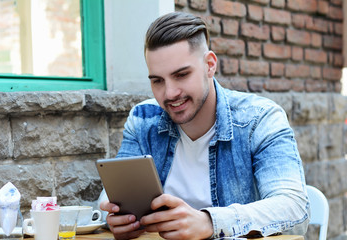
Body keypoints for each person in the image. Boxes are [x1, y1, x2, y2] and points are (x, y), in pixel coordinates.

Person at [99, 11, 309, 240]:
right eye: (157, 81)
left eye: (181, 75)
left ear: (210, 65)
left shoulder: (260, 119)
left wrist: (209, 222)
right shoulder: (143, 119)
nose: (169, 93)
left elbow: (293, 207)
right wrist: (116, 219)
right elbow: (108, 200)